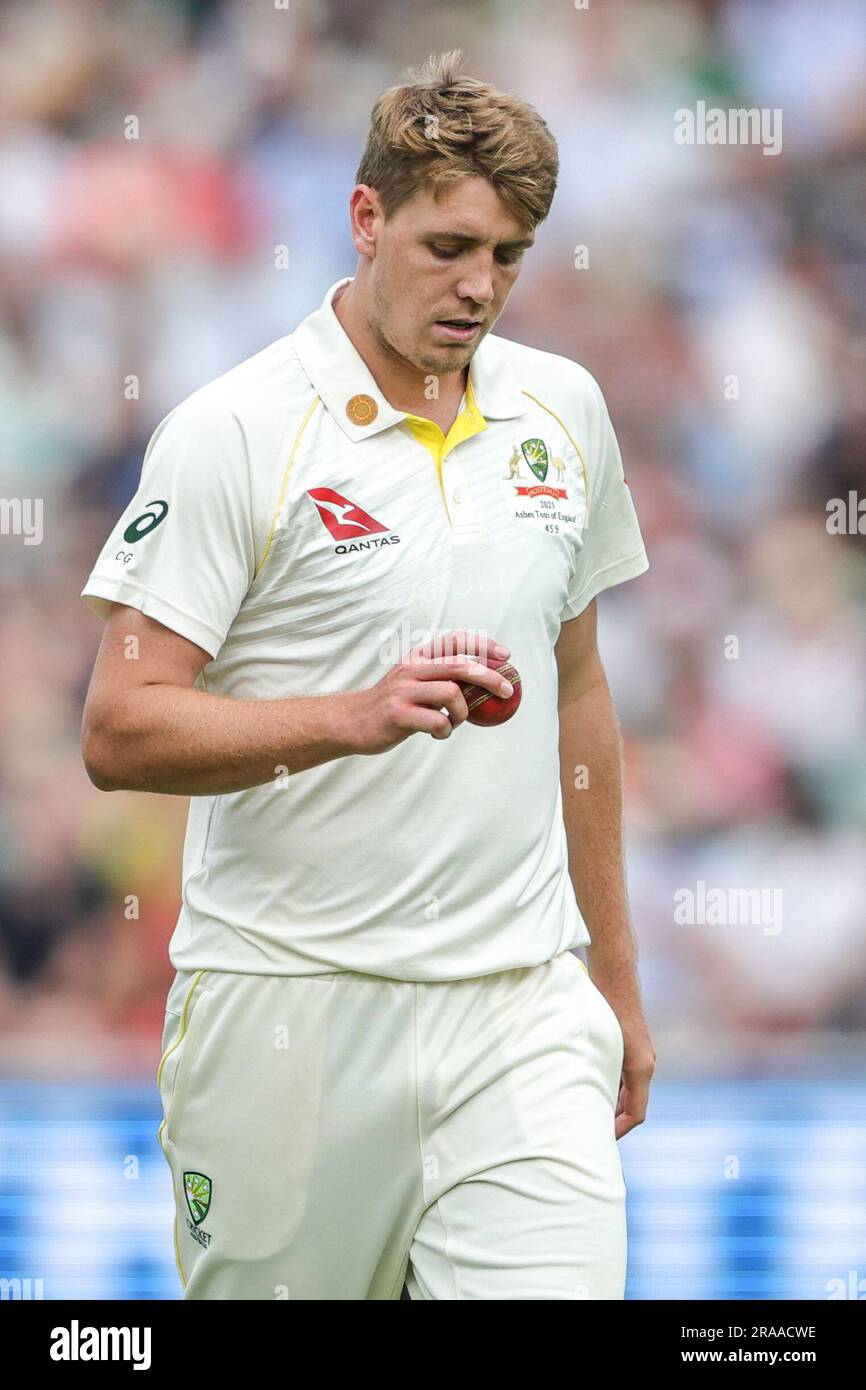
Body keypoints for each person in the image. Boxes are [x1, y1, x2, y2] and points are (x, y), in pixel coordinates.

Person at [80, 49, 654, 1301]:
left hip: (517, 1013)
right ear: (363, 217)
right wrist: (351, 717)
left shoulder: (562, 413)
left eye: (507, 254)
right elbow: (119, 729)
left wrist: (611, 978)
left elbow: (579, 693)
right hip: (288, 1015)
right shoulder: (233, 430)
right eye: (448, 245)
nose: (478, 285)